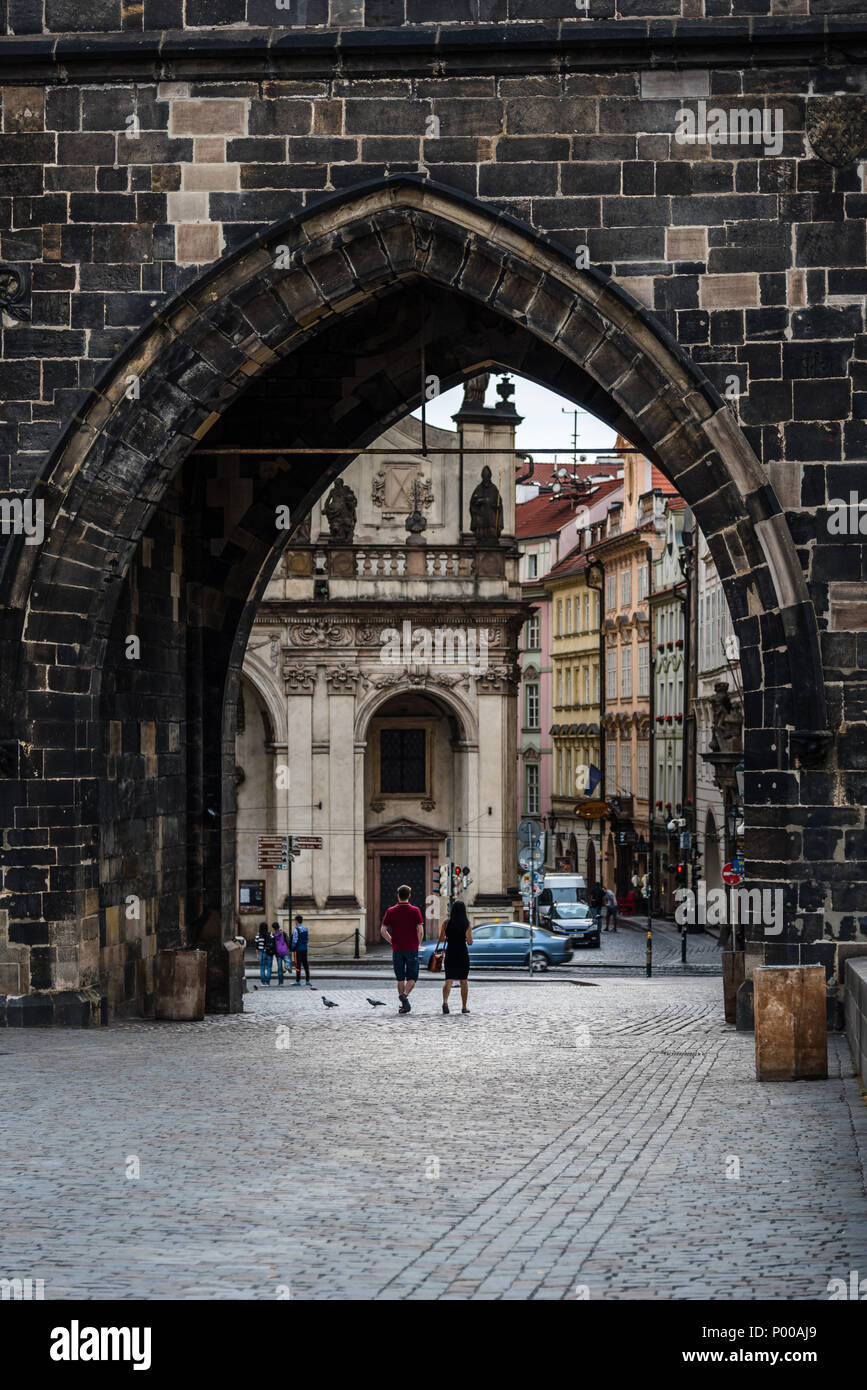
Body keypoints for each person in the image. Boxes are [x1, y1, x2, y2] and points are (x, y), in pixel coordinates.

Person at [381, 884, 424, 1014]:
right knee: (412, 977)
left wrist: (391, 941)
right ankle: (404, 995)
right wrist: (417, 943)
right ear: (409, 895)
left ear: (398, 895)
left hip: (397, 949)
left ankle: (403, 1005)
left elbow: (383, 930)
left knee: (400, 978)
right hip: (411, 948)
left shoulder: (391, 911)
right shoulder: (415, 910)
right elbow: (420, 931)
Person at [436, 899, 473, 1015]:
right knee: (463, 981)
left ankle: (445, 1002)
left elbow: (441, 939)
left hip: (450, 953)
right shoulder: (467, 924)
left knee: (449, 980)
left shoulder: (446, 923)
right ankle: (464, 1007)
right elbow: (470, 942)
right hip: (462, 953)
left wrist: (449, 936)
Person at [292, 913, 313, 988]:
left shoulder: (296, 929)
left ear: (297, 921)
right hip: (304, 948)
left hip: (298, 949)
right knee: (305, 964)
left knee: (298, 965)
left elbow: (294, 940)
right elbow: (307, 938)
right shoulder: (305, 928)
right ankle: (307, 981)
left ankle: (298, 981)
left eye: (295, 920)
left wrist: (292, 947)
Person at [271, 919, 287, 986]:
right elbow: (287, 941)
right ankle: (288, 967)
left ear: (273, 928)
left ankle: (280, 982)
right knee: (287, 961)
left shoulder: (274, 936)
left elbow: (273, 945)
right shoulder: (283, 933)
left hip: (278, 953)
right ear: (279, 926)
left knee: (279, 968)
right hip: (284, 951)